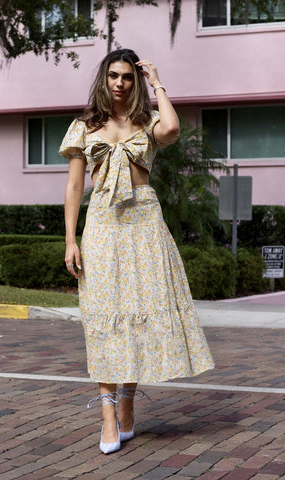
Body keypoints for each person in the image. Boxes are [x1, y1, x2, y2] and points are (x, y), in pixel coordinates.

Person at [59, 49, 214, 454]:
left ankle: (127, 403)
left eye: (128, 77)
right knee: (104, 319)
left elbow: (174, 129)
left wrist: (158, 82)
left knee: (138, 318)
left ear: (136, 82)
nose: (120, 83)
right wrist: (71, 239)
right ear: (104, 78)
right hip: (104, 226)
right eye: (114, 75)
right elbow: (75, 187)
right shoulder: (83, 126)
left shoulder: (147, 122)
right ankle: (108, 415)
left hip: (144, 223)